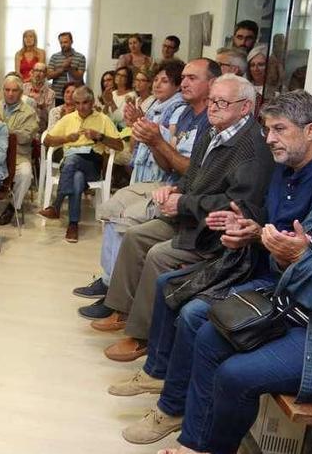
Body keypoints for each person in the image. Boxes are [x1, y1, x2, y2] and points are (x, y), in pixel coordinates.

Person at [116, 90, 312, 447]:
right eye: (268, 129)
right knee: (175, 291)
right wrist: (245, 228)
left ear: (311, 130)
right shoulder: (293, 173)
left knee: (194, 313)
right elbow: (273, 230)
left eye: (279, 129)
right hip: (265, 271)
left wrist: (261, 238)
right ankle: (173, 403)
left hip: (286, 290)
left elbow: (306, 256)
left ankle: (186, 422)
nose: (269, 138)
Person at [155, 145, 312, 454]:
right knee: (208, 335)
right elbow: (286, 262)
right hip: (290, 306)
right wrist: (278, 249)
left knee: (235, 375)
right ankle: (193, 445)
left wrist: (299, 260)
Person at [96, 74, 275, 362]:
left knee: (157, 255)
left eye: (222, 102)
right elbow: (192, 175)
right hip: (190, 217)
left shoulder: (252, 149)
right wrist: (174, 189)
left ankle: (141, 335)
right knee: (134, 236)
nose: (213, 107)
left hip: (214, 233)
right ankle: (121, 309)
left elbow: (237, 204)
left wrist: (184, 202)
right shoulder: (213, 131)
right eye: (212, 100)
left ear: (245, 108)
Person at [76, 59, 219, 312]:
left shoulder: (211, 120)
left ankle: (117, 299)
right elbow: (167, 165)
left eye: (192, 78)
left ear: (212, 84)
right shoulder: (186, 113)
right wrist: (151, 140)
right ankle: (109, 280)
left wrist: (157, 141)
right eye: (183, 77)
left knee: (127, 218)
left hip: (184, 192)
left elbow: (196, 172)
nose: (184, 82)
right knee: (112, 206)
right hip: (167, 180)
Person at [40, 86, 123, 242]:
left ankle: (57, 205)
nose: (80, 107)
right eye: (77, 103)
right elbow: (47, 140)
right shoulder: (68, 118)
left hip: (92, 162)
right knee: (77, 178)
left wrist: (99, 136)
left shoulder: (103, 119)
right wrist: (66, 139)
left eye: (85, 103)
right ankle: (73, 225)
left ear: (92, 102)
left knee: (72, 161)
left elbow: (119, 145)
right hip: (71, 164)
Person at [0, 75, 39, 226]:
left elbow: (25, 137)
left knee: (26, 174)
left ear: (21, 92)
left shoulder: (29, 112)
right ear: (3, 91)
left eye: (14, 90)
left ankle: (13, 206)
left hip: (18, 156)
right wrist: (10, 131)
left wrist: (1, 129)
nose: (10, 93)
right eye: (7, 90)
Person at [47, 32, 87, 106]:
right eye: (61, 43)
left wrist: (69, 68)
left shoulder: (80, 57)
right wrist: (62, 68)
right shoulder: (54, 57)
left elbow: (80, 77)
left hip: (74, 95)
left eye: (65, 42)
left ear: (71, 41)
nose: (63, 45)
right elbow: (49, 76)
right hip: (57, 95)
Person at [23, 62, 57, 133]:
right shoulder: (24, 88)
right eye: (36, 70)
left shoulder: (51, 94)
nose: (38, 74)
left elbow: (51, 119)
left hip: (40, 130)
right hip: (24, 127)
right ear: (32, 72)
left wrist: (43, 107)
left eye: (41, 71)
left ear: (45, 75)